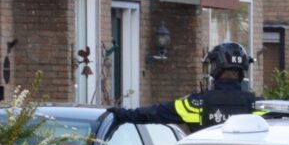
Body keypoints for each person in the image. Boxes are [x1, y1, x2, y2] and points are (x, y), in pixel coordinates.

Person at [110, 41, 262, 131]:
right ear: (242, 70)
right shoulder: (258, 107)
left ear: (215, 67)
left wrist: (121, 114)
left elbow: (154, 113)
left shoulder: (195, 105)